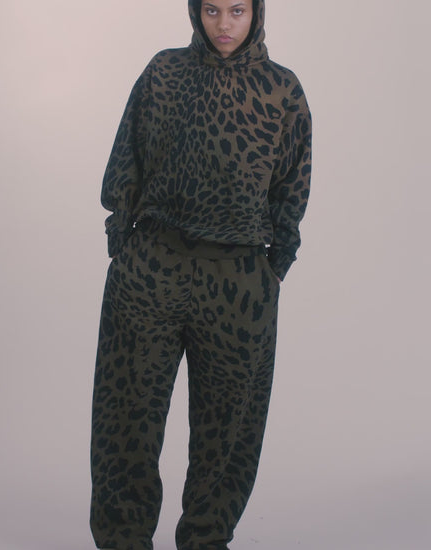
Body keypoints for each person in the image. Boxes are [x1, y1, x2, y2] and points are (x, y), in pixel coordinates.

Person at [90, 0, 312, 548]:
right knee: (126, 421)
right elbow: (126, 158)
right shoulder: (163, 72)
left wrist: (272, 269)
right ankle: (123, 540)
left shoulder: (282, 91)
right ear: (195, 10)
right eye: (211, 9)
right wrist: (123, 240)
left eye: (237, 10)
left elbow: (292, 187)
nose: (224, 25)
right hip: (151, 269)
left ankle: (206, 540)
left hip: (239, 282)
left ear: (257, 12)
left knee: (228, 434)